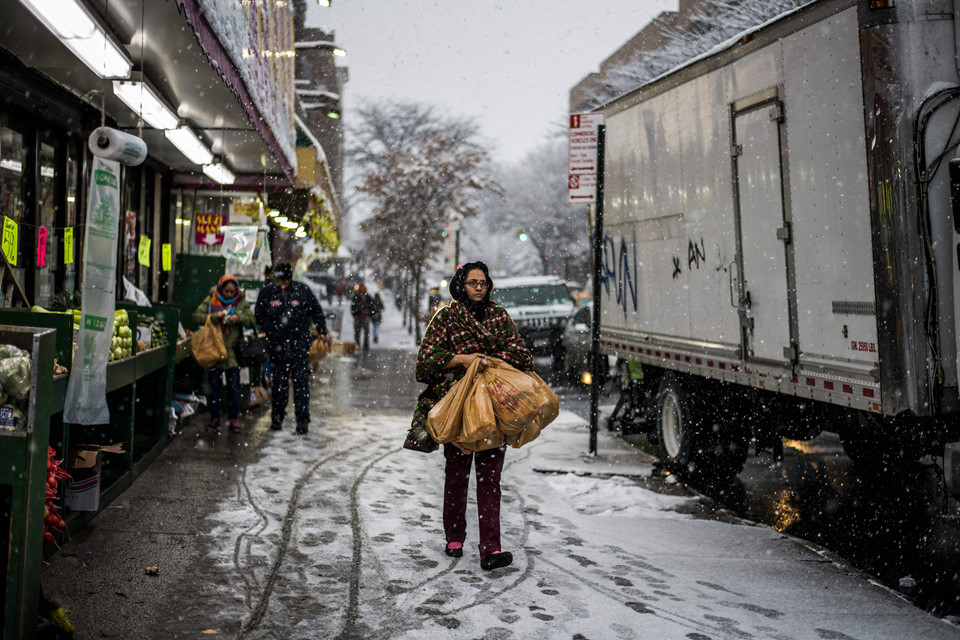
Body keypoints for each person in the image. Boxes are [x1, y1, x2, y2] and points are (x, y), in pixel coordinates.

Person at [412, 261, 533, 571]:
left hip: (495, 410)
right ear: (460, 285)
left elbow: (522, 355)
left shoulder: (499, 316)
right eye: (472, 282)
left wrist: (490, 360)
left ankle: (491, 549)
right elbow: (425, 361)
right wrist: (461, 359)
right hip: (461, 409)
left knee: (490, 480)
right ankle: (455, 536)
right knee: (457, 475)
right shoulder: (447, 318)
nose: (479, 287)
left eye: (483, 282)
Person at [254, 262, 329, 435]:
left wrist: (322, 330)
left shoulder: (302, 291)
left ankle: (302, 421)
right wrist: (271, 330)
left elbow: (316, 310)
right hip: (277, 346)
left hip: (299, 345)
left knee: (300, 383)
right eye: (279, 279)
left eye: (285, 279)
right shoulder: (267, 292)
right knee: (279, 384)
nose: (282, 283)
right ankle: (277, 419)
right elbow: (259, 314)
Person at [192, 274, 256, 433]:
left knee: (234, 388)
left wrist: (238, 318)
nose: (229, 294)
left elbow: (251, 321)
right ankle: (214, 419)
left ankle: (233, 420)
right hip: (214, 351)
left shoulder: (240, 301)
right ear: (221, 289)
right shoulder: (212, 299)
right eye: (226, 291)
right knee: (214, 388)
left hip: (233, 353)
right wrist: (215, 317)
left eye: (232, 292)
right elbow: (196, 317)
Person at [351, 283, 375, 352]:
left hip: (365, 318)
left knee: (366, 333)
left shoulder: (368, 297)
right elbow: (352, 306)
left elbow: (372, 307)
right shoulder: (356, 297)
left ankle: (365, 346)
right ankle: (357, 345)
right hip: (358, 317)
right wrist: (354, 314)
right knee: (357, 333)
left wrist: (369, 315)